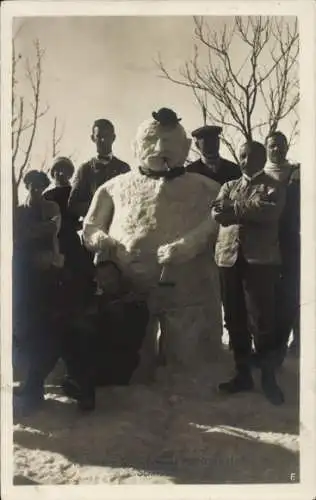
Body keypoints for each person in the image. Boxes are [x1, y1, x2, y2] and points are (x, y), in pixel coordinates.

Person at [82, 107, 222, 382]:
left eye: (168, 142)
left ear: (185, 146)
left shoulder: (206, 187)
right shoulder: (113, 187)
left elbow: (217, 222)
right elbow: (90, 226)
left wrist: (189, 244)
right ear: (136, 146)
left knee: (188, 359)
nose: (159, 149)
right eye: (151, 141)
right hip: (130, 285)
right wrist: (101, 240)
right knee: (134, 353)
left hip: (186, 289)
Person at [211, 141, 286, 405]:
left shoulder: (273, 185)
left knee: (262, 321)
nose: (245, 160)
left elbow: (269, 213)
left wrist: (236, 209)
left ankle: (268, 378)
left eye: (251, 156)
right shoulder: (228, 186)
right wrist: (246, 208)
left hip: (260, 261)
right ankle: (242, 373)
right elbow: (217, 213)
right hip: (228, 259)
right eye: (242, 155)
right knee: (234, 318)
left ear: (263, 158)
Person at [62, 260, 150, 411]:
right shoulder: (98, 301)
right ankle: (82, 386)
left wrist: (113, 315)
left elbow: (132, 338)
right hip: (97, 358)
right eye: (102, 278)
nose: (107, 282)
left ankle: (84, 389)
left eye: (110, 276)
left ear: (119, 277)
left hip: (120, 362)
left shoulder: (133, 302)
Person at [13, 170, 65, 413]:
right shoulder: (19, 210)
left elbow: (52, 229)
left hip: (46, 276)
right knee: (24, 330)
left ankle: (36, 385)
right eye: (31, 185)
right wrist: (32, 232)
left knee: (42, 329)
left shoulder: (51, 207)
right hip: (22, 275)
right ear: (26, 185)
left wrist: (30, 232)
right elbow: (16, 235)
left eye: (40, 185)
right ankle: (27, 382)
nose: (35, 189)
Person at [264, 131, 300, 362]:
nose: (276, 150)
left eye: (280, 145)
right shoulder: (259, 174)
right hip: (263, 242)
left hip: (291, 240)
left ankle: (290, 343)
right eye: (272, 146)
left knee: (290, 293)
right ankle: (267, 347)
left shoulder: (297, 173)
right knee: (266, 296)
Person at [68, 119, 130, 219]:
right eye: (99, 136)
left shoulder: (123, 168)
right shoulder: (85, 169)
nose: (103, 140)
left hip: (118, 227)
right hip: (93, 228)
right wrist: (97, 206)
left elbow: (130, 200)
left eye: (107, 136)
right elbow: (73, 205)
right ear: (93, 138)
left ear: (113, 138)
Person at [43, 156, 93, 278]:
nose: (60, 173)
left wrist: (81, 225)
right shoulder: (47, 196)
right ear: (53, 174)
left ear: (70, 174)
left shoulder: (76, 192)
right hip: (53, 242)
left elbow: (88, 213)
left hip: (72, 240)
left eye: (64, 170)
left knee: (77, 273)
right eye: (57, 170)